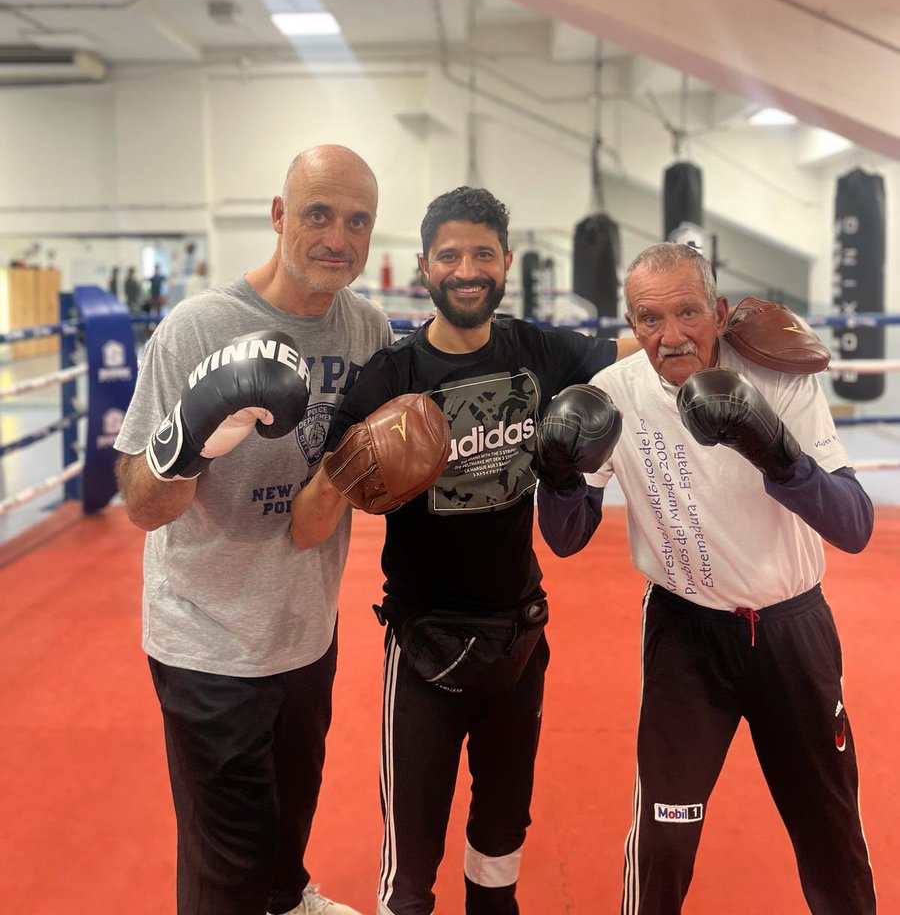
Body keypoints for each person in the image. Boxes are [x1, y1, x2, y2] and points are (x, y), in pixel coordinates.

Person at [289, 185, 635, 915]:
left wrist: (703, 333)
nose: (467, 268)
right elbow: (307, 525)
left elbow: (632, 350)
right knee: (411, 876)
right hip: (423, 646)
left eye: (482, 253)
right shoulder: (393, 375)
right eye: (450, 254)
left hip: (520, 638)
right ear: (425, 267)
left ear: (506, 262)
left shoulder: (537, 349)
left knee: (501, 847)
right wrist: (344, 469)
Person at [536, 242, 876, 914]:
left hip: (791, 630)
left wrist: (775, 450)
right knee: (664, 841)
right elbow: (565, 539)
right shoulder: (615, 395)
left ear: (717, 311)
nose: (670, 336)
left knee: (830, 833)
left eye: (687, 312)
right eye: (648, 319)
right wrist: (556, 473)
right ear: (630, 327)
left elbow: (856, 525)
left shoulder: (777, 380)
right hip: (685, 634)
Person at [114, 145, 393, 915]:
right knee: (225, 864)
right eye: (318, 214)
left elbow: (370, 475)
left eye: (357, 220)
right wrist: (187, 437)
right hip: (208, 640)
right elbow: (142, 506)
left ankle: (286, 896)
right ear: (278, 217)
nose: (338, 236)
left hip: (305, 629)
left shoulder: (367, 329)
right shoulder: (198, 328)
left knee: (285, 826)